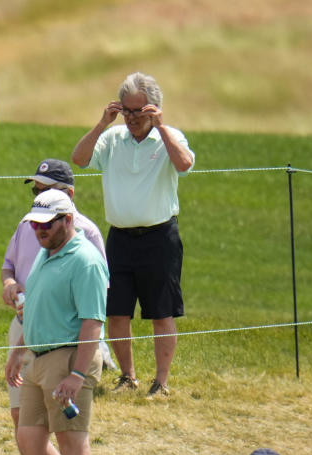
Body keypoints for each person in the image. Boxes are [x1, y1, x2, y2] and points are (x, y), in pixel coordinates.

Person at [71, 71, 195, 398]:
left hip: (159, 237)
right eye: (126, 111)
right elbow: (79, 159)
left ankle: (161, 382)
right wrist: (102, 124)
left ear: (153, 109)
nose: (131, 119)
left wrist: (161, 128)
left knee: (161, 311)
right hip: (121, 238)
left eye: (138, 112)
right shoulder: (112, 140)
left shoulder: (171, 137)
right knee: (117, 311)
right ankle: (127, 377)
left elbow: (183, 164)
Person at [0, 159, 107, 455]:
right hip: (37, 354)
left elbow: (93, 319)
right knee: (29, 437)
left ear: (67, 218)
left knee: (72, 443)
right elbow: (37, 305)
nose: (39, 230)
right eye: (36, 224)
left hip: (66, 356)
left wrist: (77, 374)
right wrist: (19, 351)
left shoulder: (85, 256)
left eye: (47, 224)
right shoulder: (46, 253)